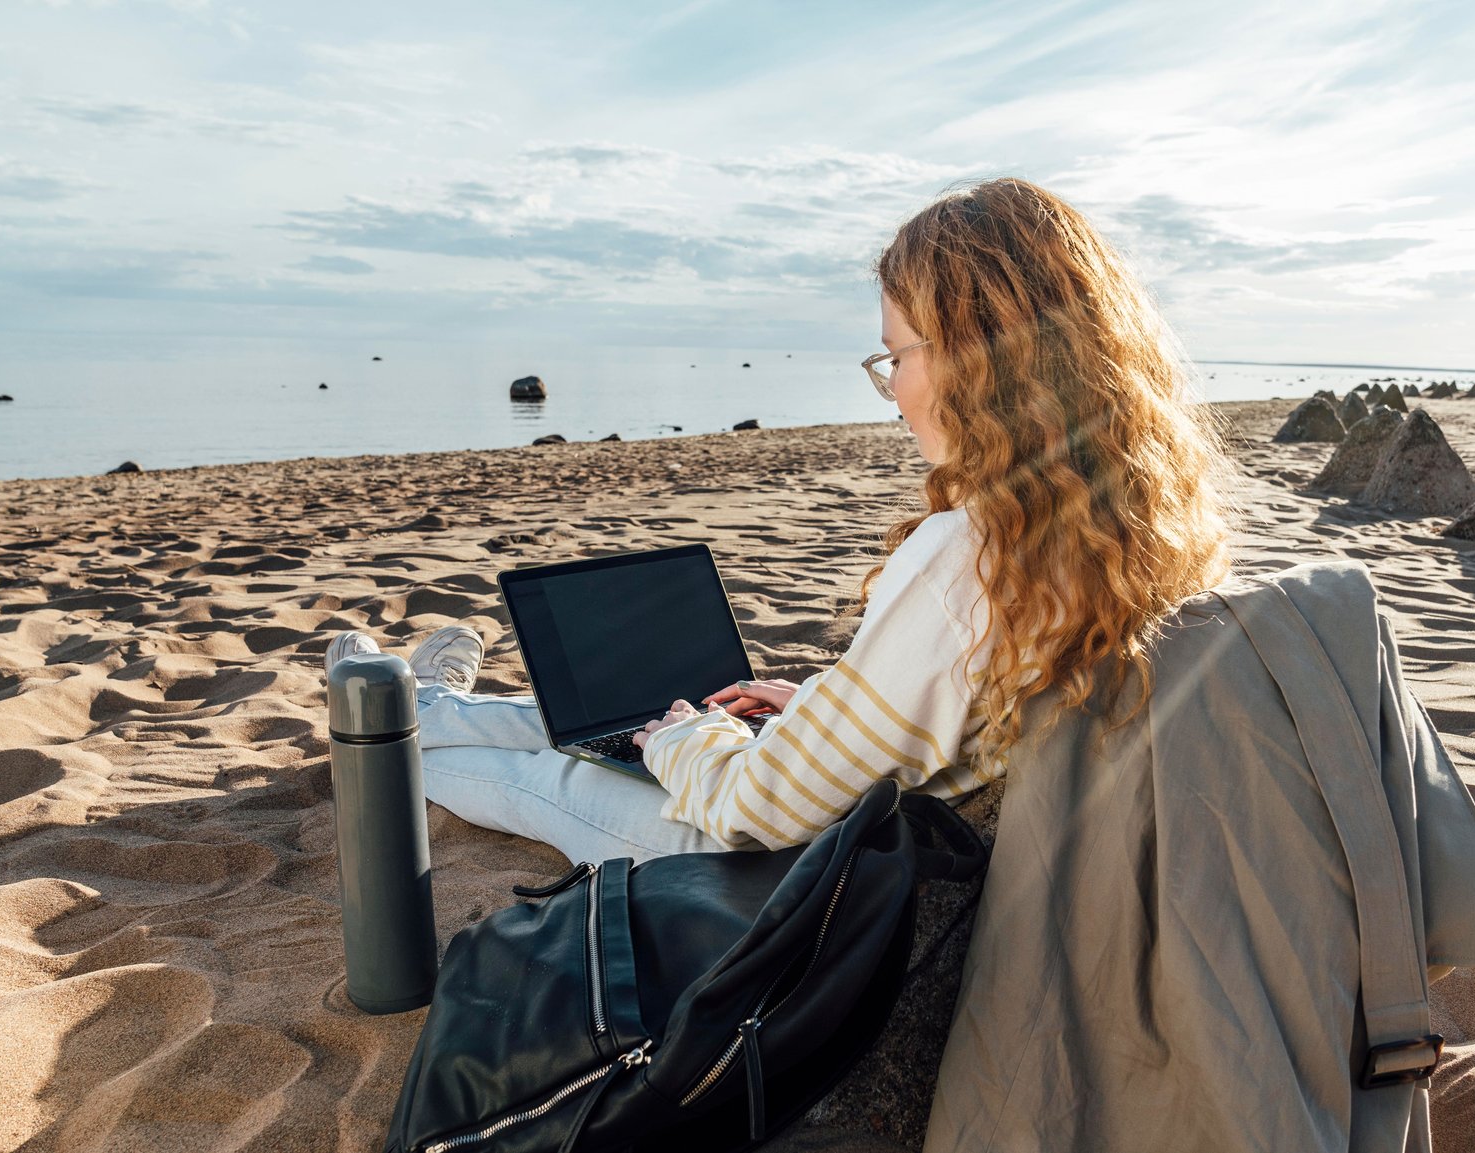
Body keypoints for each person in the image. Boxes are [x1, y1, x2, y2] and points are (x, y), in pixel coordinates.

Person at [323, 176, 1236, 864]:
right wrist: (815, 712)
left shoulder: (972, 555)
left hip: (785, 870)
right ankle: (423, 693)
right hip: (901, 815)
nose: (893, 390)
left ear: (976, 361)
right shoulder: (1127, 529)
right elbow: (957, 720)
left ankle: (379, 708)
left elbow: (756, 808)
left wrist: (687, 739)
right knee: (578, 722)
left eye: (897, 356)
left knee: (559, 768)